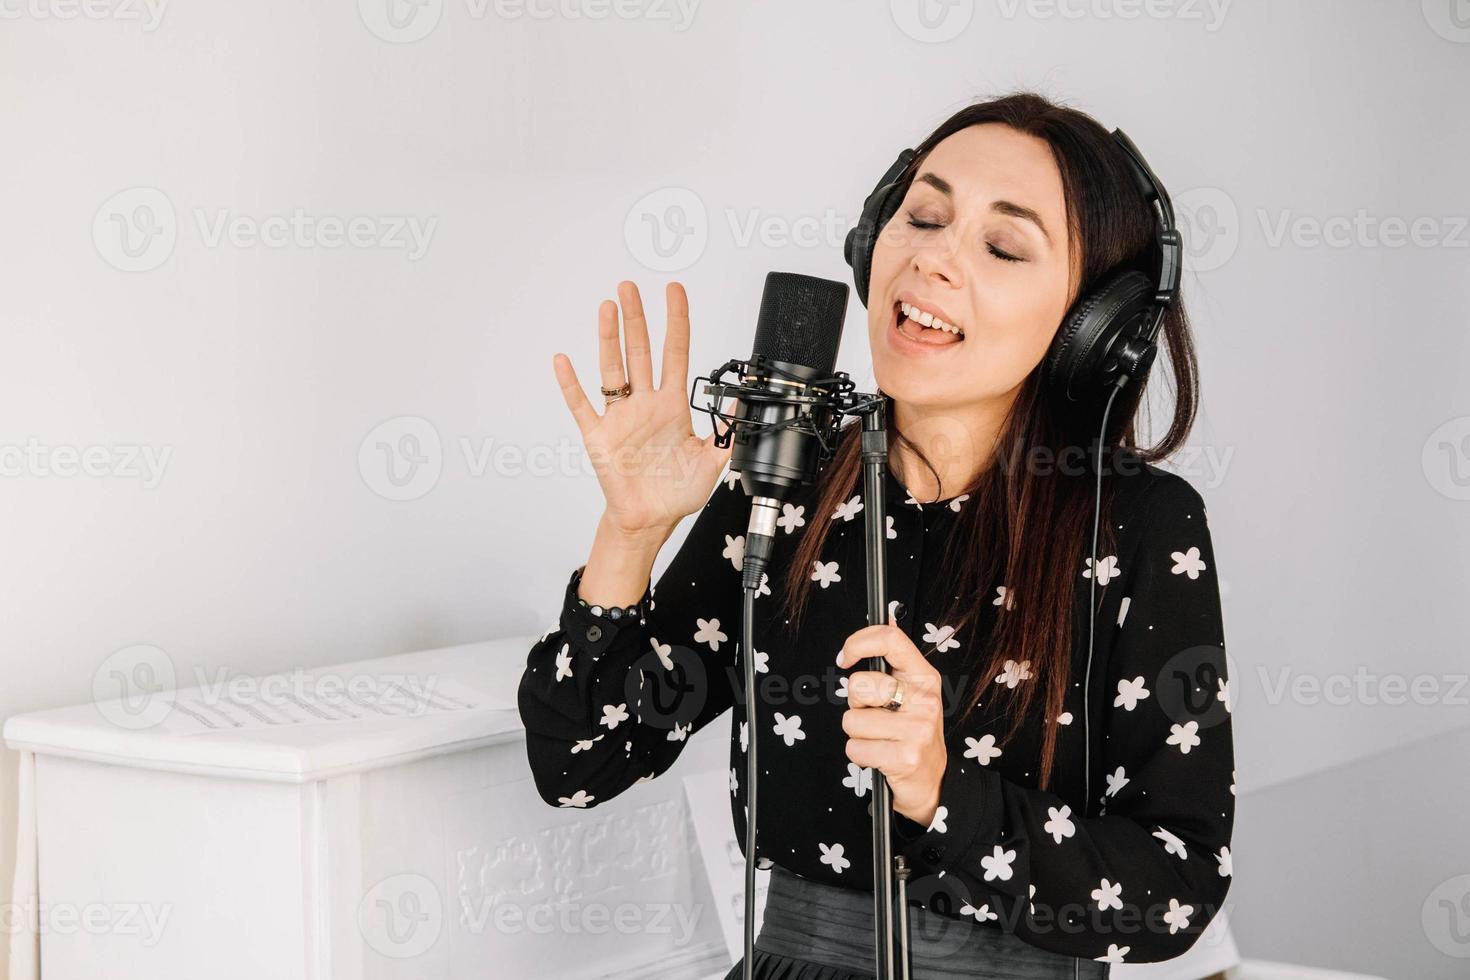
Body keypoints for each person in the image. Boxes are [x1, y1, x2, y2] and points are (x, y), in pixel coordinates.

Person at [518, 91, 1235, 979]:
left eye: (1003, 245)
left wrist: (946, 795)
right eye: (923, 216)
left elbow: (1174, 888)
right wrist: (630, 534)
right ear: (870, 245)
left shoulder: (1140, 524)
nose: (933, 257)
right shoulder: (785, 476)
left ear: (1094, 326)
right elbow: (578, 762)